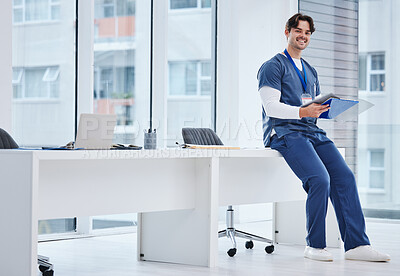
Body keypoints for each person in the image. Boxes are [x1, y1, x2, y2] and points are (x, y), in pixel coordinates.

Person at [257, 13, 391, 262]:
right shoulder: (272, 66)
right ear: (287, 32)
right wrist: (303, 112)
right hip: (285, 132)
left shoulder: (310, 70)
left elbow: (309, 105)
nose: (303, 36)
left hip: (311, 131)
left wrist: (328, 110)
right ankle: (314, 245)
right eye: (298, 31)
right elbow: (271, 107)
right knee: (320, 179)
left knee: (345, 177)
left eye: (307, 33)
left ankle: (356, 245)